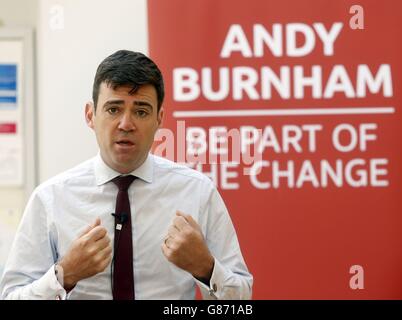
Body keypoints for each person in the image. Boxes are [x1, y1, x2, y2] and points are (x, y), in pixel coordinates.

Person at [0, 50, 253, 300]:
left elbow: (242, 301)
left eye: (141, 111)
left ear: (159, 118)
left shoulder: (197, 192)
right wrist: (63, 276)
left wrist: (206, 268)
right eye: (113, 109)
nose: (126, 124)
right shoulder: (50, 199)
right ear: (90, 115)